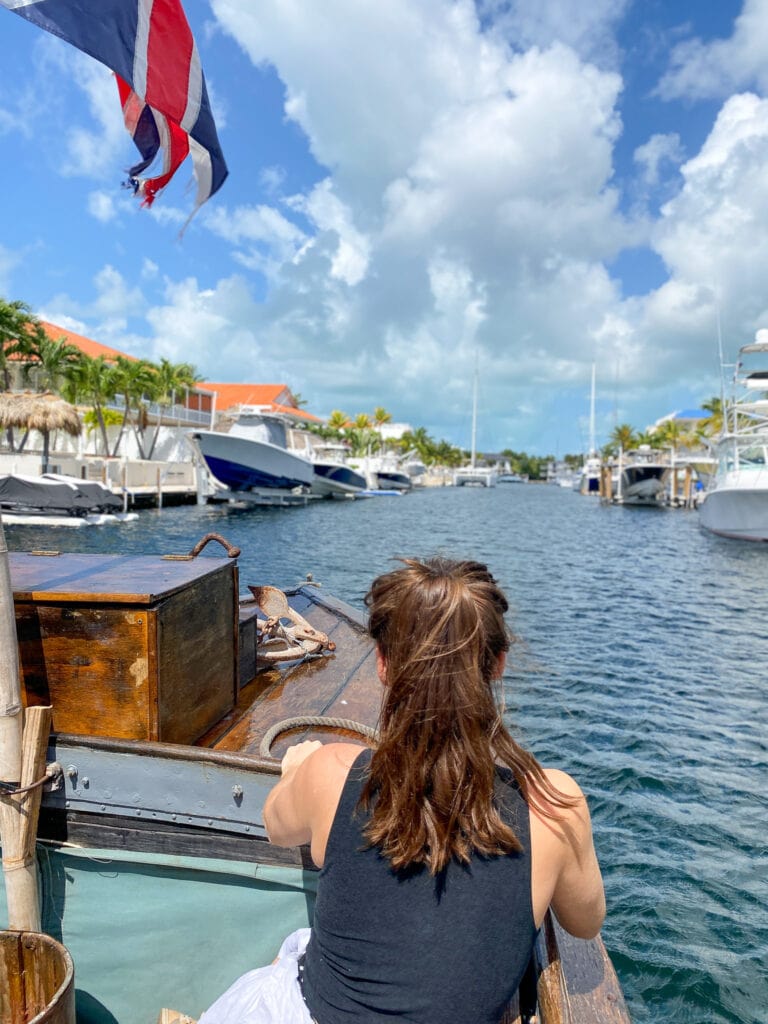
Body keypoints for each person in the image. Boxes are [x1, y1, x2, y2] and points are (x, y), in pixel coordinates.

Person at [199, 557, 605, 1024]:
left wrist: (297, 770)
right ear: (498, 664)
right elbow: (585, 922)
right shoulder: (554, 803)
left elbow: (276, 827)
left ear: (383, 664)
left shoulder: (332, 773)